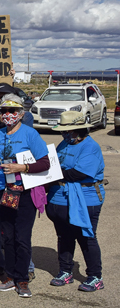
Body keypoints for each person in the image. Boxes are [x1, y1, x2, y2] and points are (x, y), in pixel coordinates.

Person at [0, 94, 50, 298]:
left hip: (24, 192)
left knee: (22, 238)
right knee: (7, 237)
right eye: (4, 111)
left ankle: (23, 279)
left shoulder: (30, 134)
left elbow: (45, 163)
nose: (8, 114)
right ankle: (9, 276)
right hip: (3, 192)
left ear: (21, 114)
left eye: (13, 111)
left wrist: (22, 167)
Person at [46, 111, 105, 292]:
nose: (64, 135)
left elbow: (78, 173)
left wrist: (51, 176)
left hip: (85, 198)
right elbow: (53, 162)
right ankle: (65, 271)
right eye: (63, 132)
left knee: (86, 237)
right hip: (60, 198)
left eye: (68, 131)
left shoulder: (90, 147)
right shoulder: (65, 142)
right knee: (64, 236)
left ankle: (95, 276)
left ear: (80, 130)